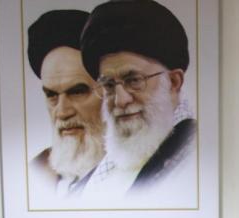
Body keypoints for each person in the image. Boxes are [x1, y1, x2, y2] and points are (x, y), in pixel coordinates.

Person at [79, 0, 196, 200]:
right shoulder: (88, 183)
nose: (120, 100)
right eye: (109, 85)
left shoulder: (193, 157)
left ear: (173, 82)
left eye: (134, 80)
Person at [26, 9, 105, 199]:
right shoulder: (35, 173)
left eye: (77, 92)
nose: (62, 112)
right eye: (51, 95)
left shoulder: (148, 172)